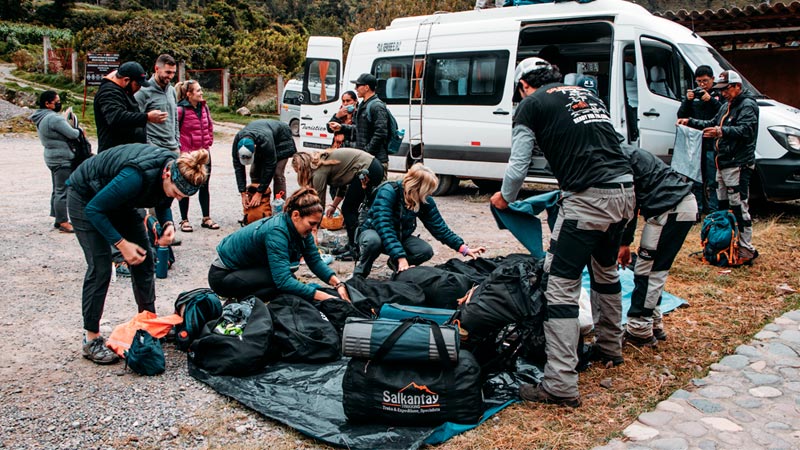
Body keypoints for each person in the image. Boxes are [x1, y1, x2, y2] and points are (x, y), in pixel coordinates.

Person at [490, 57, 635, 407]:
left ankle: (559, 383)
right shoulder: (587, 95)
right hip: (626, 192)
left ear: (523, 84)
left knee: (561, 287)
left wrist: (504, 197)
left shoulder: (531, 104)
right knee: (605, 272)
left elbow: (519, 162)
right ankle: (609, 346)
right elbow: (615, 143)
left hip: (587, 200)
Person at [66, 145, 209, 364]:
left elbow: (163, 201)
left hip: (121, 201)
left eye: (182, 196)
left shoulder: (173, 169)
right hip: (86, 197)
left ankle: (148, 321)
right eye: (177, 193)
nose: (178, 198)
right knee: (101, 266)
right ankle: (91, 338)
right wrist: (121, 244)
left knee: (145, 259)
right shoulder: (136, 176)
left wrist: (168, 223)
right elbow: (95, 209)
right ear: (167, 174)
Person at [208, 187, 349, 302]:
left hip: (248, 270)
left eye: (316, 224)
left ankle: (247, 298)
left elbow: (314, 260)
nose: (314, 228)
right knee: (284, 285)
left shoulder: (300, 229)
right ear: (295, 215)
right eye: (312, 223)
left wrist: (338, 284)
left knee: (291, 284)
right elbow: (283, 281)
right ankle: (240, 301)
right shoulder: (277, 232)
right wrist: (327, 298)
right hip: (223, 276)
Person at [617, 145, 697, 347]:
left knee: (649, 271)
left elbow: (630, 204)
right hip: (676, 207)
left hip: (669, 210)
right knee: (654, 268)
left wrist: (624, 243)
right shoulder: (631, 152)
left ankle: (639, 329)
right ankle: (653, 322)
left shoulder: (620, 159)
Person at [678, 70, 759, 264]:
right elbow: (712, 123)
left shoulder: (748, 105)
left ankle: (746, 249)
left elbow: (747, 130)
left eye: (726, 89)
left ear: (737, 87)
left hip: (737, 163)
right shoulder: (726, 106)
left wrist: (720, 132)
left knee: (739, 206)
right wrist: (691, 122)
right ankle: (726, 244)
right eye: (721, 90)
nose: (722, 93)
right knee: (723, 206)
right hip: (721, 163)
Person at [354, 163, 485, 278]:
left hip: (400, 236)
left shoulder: (423, 199)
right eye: (428, 190)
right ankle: (360, 273)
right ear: (417, 186)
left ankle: (397, 267)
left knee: (424, 250)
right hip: (375, 232)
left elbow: (439, 227)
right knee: (373, 241)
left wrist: (464, 249)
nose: (430, 194)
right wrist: (401, 257)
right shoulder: (389, 191)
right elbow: (384, 227)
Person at [292, 148, 383, 259]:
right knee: (349, 209)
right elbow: (343, 182)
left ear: (302, 168)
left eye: (297, 172)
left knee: (349, 209)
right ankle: (352, 246)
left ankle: (355, 249)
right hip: (371, 166)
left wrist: (314, 230)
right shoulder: (320, 163)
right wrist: (334, 205)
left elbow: (318, 203)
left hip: (369, 168)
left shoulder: (318, 171)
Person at [31, 90, 81, 233]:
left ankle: (58, 218)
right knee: (62, 191)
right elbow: (73, 134)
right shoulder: (54, 118)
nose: (59, 103)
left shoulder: (41, 117)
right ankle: (63, 221)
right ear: (48, 104)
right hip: (62, 158)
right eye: (57, 101)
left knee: (57, 189)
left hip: (51, 157)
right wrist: (79, 130)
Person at [677, 65, 724, 214]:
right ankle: (697, 210)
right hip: (695, 142)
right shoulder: (694, 95)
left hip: (712, 141)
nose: (702, 85)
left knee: (712, 179)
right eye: (699, 82)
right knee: (696, 179)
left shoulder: (719, 93)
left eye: (705, 81)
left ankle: (713, 211)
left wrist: (711, 100)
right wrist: (687, 100)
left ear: (712, 79)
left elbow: (724, 113)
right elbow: (681, 115)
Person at [93, 61, 167, 152]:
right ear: (126, 80)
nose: (139, 88)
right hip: (115, 154)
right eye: (137, 84)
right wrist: (147, 117)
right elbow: (116, 117)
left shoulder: (124, 91)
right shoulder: (109, 92)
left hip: (129, 152)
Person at [175, 80, 217, 232]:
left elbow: (209, 125)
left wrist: (208, 142)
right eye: (198, 91)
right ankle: (184, 220)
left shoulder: (204, 107)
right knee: (185, 185)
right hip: (188, 154)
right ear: (188, 94)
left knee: (204, 185)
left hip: (204, 153)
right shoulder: (180, 110)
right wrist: (181, 149)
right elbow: (175, 130)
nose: (201, 93)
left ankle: (206, 217)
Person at [329, 73, 389, 176]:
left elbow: (381, 132)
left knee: (376, 191)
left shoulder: (377, 106)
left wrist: (366, 153)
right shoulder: (364, 105)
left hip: (375, 160)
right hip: (364, 160)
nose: (355, 88)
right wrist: (341, 127)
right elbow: (359, 129)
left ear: (366, 87)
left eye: (358, 85)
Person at [232, 119, 297, 209]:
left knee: (277, 174)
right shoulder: (238, 140)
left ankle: (279, 206)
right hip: (263, 135)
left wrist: (260, 192)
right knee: (254, 172)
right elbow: (238, 167)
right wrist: (243, 193)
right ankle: (258, 207)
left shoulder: (265, 140)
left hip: (281, 138)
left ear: (254, 148)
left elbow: (270, 166)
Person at [135, 54, 179, 153]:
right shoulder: (143, 92)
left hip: (173, 147)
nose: (171, 76)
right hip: (154, 148)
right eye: (168, 72)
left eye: (173, 73)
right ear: (156, 68)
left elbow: (175, 119)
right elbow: (136, 121)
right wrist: (149, 145)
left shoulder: (172, 90)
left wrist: (177, 142)